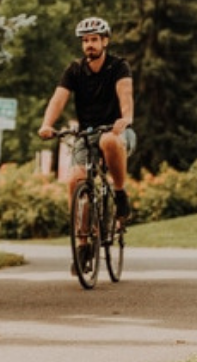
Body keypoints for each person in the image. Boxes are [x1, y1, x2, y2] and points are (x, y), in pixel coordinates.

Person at [38, 17, 135, 222]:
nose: (89, 45)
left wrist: (125, 118)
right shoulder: (74, 70)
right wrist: (47, 124)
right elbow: (58, 99)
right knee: (74, 181)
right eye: (85, 41)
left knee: (108, 140)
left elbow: (125, 95)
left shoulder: (118, 66)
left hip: (116, 131)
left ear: (105, 41)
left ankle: (119, 193)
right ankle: (83, 240)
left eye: (93, 39)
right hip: (86, 133)